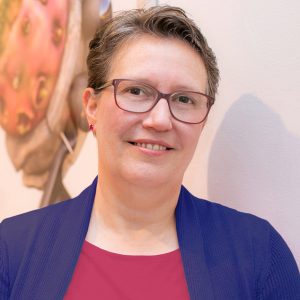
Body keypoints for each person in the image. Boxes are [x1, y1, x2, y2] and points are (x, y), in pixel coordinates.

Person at [0, 5, 299, 300]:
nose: (159, 120)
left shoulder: (259, 256)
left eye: (184, 99)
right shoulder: (12, 251)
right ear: (91, 107)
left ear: (203, 119)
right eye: (136, 91)